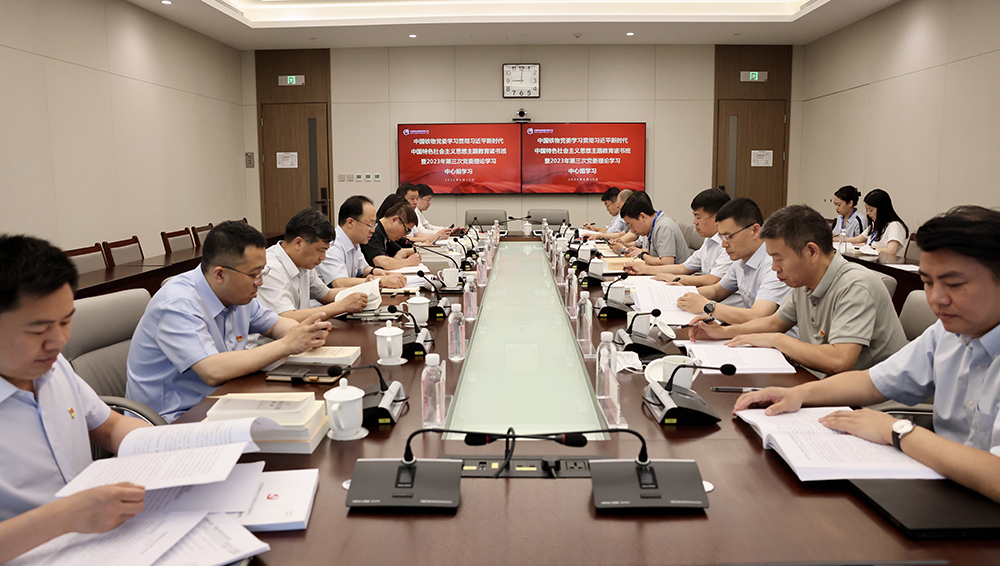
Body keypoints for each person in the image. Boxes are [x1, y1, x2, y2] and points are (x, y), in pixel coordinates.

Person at [734, 205, 1000, 503]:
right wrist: (799, 394)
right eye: (927, 282)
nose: (936, 298)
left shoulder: (858, 285)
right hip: (949, 487)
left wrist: (896, 430)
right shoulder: (947, 334)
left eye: (954, 284)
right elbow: (872, 381)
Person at [0, 235, 149, 563]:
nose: (58, 341)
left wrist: (162, 446)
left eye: (66, 321)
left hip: (103, 541)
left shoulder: (53, 367)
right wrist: (67, 516)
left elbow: (109, 427)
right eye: (38, 330)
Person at [126, 221, 332, 422]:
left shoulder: (237, 295)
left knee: (308, 415)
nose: (260, 282)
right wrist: (287, 344)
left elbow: (275, 325)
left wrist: (305, 332)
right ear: (220, 274)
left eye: (262, 272)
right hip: (174, 418)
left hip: (221, 399)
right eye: (254, 275)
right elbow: (212, 370)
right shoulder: (178, 303)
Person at [690, 204, 907, 378]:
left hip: (871, 405)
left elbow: (839, 361)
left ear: (811, 251)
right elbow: (774, 323)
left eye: (779, 258)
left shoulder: (855, 285)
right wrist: (723, 333)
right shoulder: (804, 281)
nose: (774, 267)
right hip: (822, 383)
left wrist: (777, 340)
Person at [673, 198, 790, 323]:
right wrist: (684, 293)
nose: (723, 245)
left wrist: (707, 305)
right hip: (749, 330)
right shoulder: (740, 260)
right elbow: (717, 291)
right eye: (721, 237)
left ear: (755, 231)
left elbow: (758, 316)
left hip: (772, 334)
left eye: (728, 237)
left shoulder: (774, 265)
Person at [256, 207, 368, 326]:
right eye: (320, 250)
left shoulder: (303, 263)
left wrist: (365, 291)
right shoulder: (270, 268)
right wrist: (342, 306)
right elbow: (286, 317)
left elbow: (326, 295)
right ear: (298, 243)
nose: (323, 257)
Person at [625, 188, 734, 293]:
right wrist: (643, 269)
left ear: (716, 218)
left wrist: (675, 279)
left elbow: (713, 280)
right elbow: (683, 268)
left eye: (698, 217)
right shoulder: (709, 240)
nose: (694, 222)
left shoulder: (729, 245)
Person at [316, 196, 408, 289]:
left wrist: (375, 271)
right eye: (369, 225)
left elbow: (363, 269)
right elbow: (340, 283)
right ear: (350, 222)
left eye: (374, 225)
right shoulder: (332, 246)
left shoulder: (354, 242)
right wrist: (381, 281)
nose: (373, 230)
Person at [617, 191, 691, 265]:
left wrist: (642, 255)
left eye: (631, 225)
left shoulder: (663, 227)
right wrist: (639, 251)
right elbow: (657, 252)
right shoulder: (654, 225)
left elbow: (667, 262)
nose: (632, 230)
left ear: (643, 217)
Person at [844, 188, 909, 257]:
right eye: (866, 209)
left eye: (871, 210)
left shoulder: (895, 225)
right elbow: (858, 239)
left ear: (882, 210)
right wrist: (841, 239)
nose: (868, 213)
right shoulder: (875, 223)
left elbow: (891, 251)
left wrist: (869, 248)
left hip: (888, 262)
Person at [361, 200, 422, 270]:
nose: (404, 236)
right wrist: (408, 262)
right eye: (406, 230)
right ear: (394, 220)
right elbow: (382, 263)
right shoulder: (373, 232)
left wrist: (417, 250)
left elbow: (400, 251)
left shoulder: (386, 234)